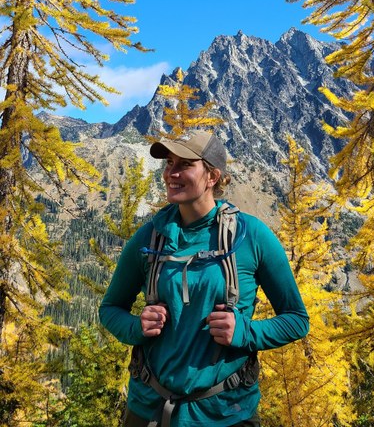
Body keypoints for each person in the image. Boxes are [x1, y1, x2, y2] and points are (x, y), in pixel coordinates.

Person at [99, 130, 309, 427]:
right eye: (169, 163)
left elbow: (297, 319)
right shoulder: (150, 237)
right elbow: (109, 309)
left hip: (226, 414)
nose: (171, 173)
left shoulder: (252, 236)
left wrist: (245, 332)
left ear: (212, 176)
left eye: (184, 164)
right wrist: (137, 326)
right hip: (149, 410)